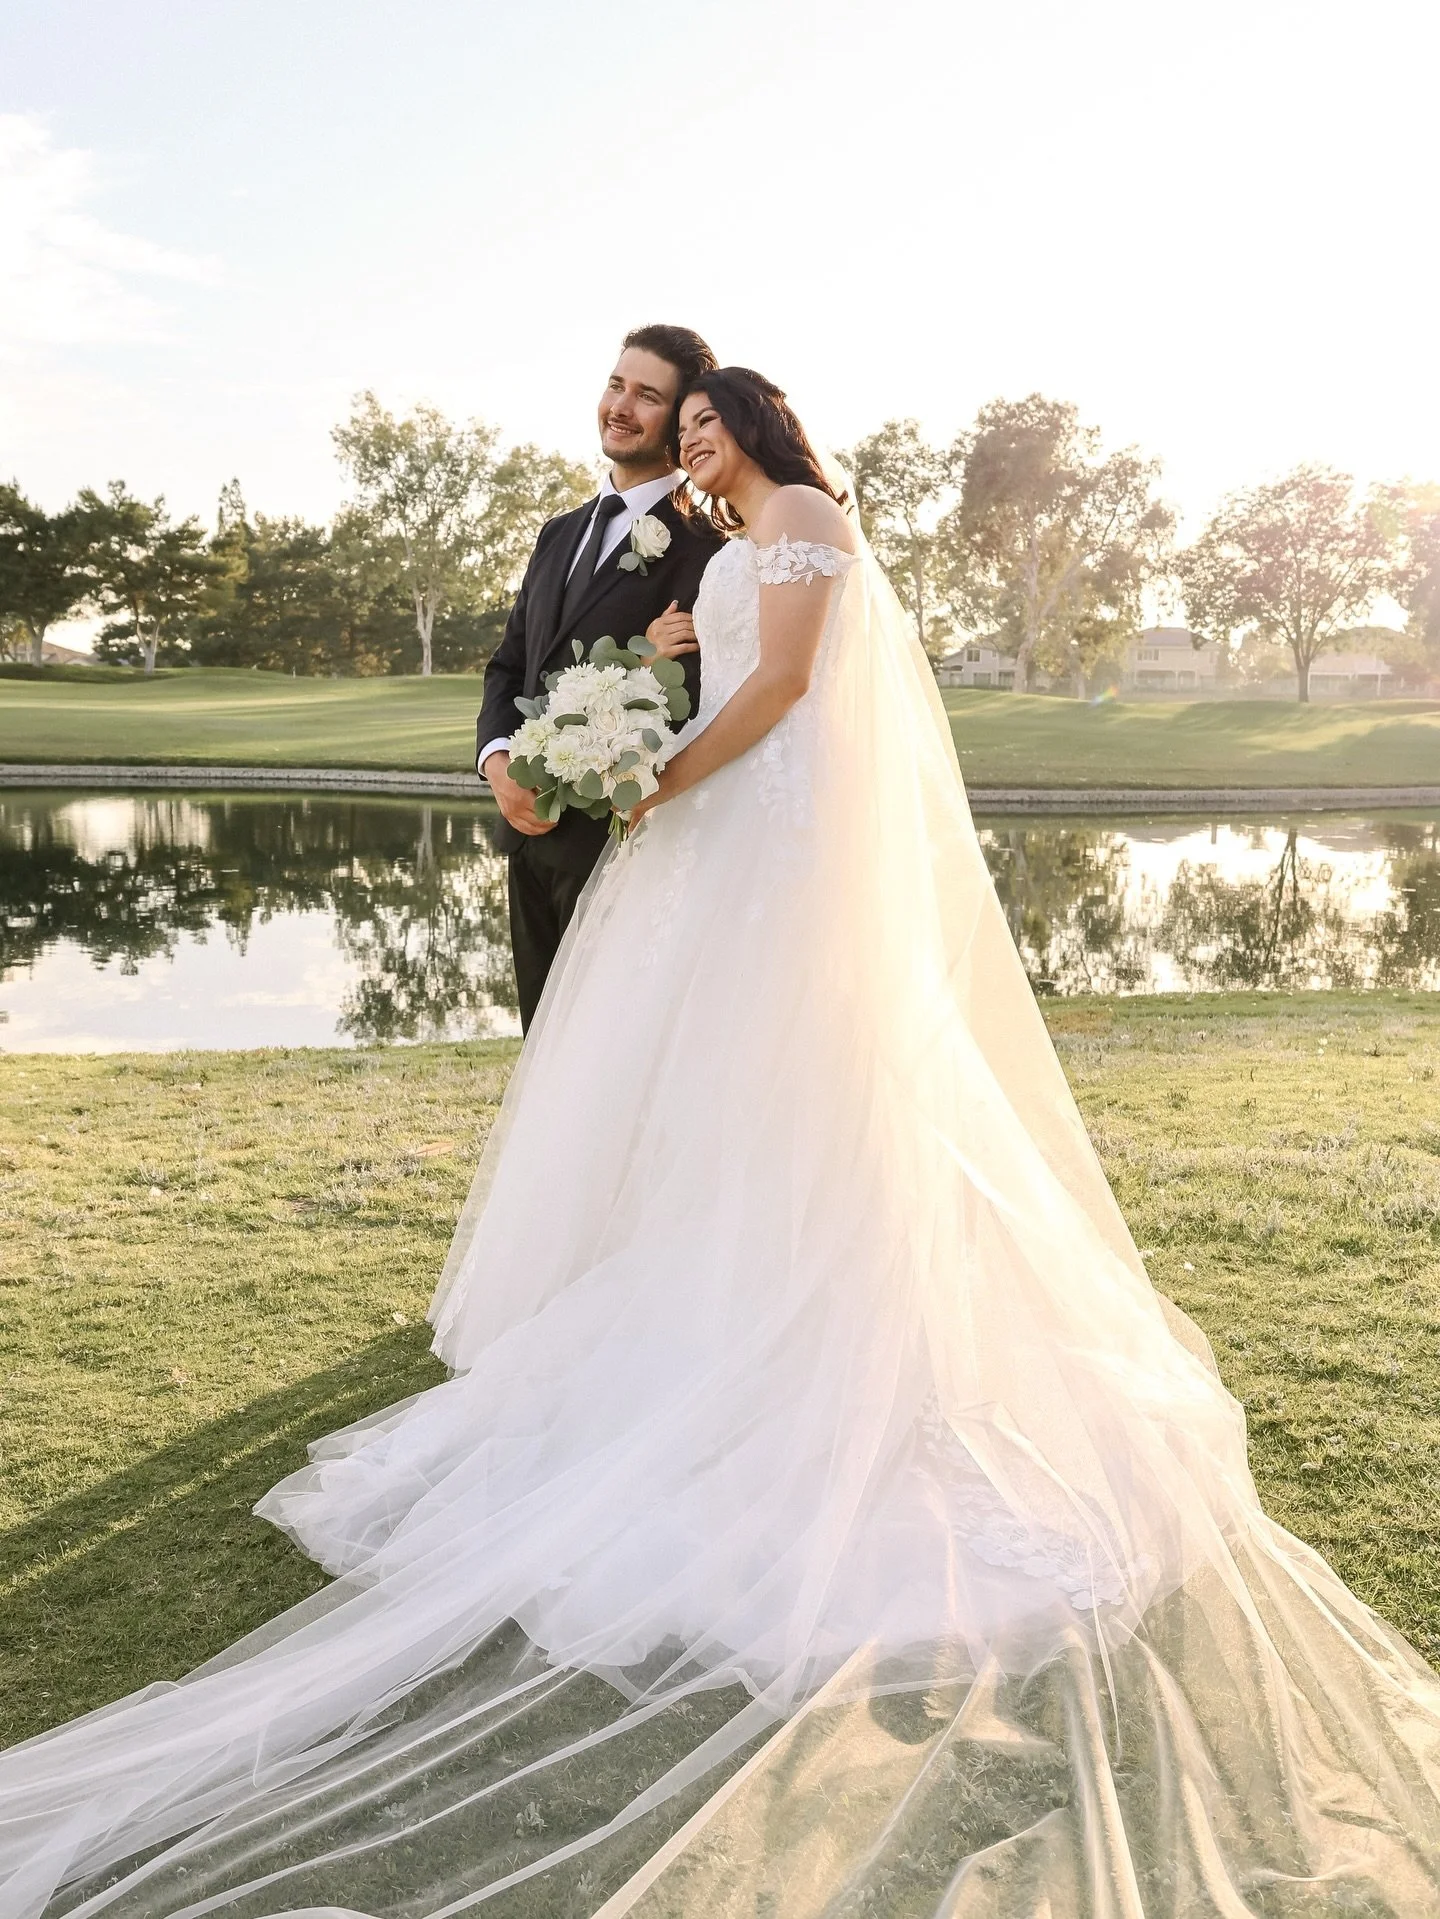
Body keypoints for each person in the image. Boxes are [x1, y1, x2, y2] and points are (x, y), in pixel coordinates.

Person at [7, 369, 1440, 1919]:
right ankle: (713, 1308)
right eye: (676, 429)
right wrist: (663, 669)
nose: (690, 443)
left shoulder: (811, 516)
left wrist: (662, 768)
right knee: (710, 1095)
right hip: (721, 830)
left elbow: (794, 694)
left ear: (762, 428)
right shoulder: (727, 549)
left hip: (775, 837)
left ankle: (830, 1340)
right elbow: (725, 659)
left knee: (800, 1081)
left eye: (708, 424)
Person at [476, 323, 723, 1029]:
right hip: (525, 838)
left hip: (624, 849)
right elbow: (508, 665)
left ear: (678, 423)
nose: (621, 404)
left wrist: (644, 666)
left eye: (647, 395)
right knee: (541, 1055)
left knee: (609, 1057)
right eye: (617, 383)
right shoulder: (559, 531)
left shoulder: (708, 552)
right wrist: (498, 765)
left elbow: (701, 701)